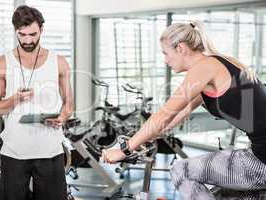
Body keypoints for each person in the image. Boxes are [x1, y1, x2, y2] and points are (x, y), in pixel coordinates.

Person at [101, 21, 266, 200]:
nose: (165, 60)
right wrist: (140, 141)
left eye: (166, 53)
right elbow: (175, 117)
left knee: (181, 170)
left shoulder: (205, 67)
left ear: (180, 48)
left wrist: (123, 151)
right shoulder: (215, 67)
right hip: (258, 153)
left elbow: (164, 114)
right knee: (219, 189)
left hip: (261, 160)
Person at [0, 5, 74, 200]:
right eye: (22, 35)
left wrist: (62, 117)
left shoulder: (59, 62)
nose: (27, 40)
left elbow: (69, 105)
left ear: (42, 29)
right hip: (14, 152)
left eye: (32, 34)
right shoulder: (1, 63)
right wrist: (14, 99)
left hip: (50, 152)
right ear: (15, 31)